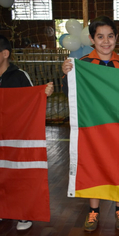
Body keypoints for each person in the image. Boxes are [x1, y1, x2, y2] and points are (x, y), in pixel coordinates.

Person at [62, 16, 119, 232]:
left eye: (110, 36)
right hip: (92, 127)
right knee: (93, 166)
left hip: (118, 127)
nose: (105, 41)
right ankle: (94, 210)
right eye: (100, 36)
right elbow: (70, 94)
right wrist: (67, 76)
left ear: (116, 38)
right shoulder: (82, 65)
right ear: (92, 39)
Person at [0, 35, 54, 230]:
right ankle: (3, 209)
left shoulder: (19, 75)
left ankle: (23, 213)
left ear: (5, 54)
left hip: (18, 136)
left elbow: (32, 101)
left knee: (19, 174)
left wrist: (43, 94)